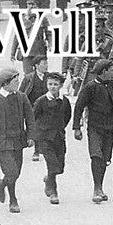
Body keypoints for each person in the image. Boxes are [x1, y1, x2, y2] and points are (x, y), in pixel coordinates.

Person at [0, 68, 33, 214]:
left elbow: (30, 118)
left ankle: (2, 184)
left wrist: (31, 136)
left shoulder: (22, 97)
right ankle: (13, 200)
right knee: (12, 171)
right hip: (3, 143)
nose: (18, 83)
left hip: (19, 140)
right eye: (15, 81)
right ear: (6, 83)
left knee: (16, 172)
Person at [73, 59, 113, 204]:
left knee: (105, 158)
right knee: (96, 155)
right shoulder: (90, 87)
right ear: (103, 72)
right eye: (112, 70)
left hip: (109, 128)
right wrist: (77, 128)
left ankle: (100, 186)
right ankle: (97, 188)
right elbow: (79, 107)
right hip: (95, 127)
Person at [31, 72, 72, 204]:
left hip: (59, 137)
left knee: (60, 167)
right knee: (52, 164)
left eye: (55, 84)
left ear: (60, 85)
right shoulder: (42, 101)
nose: (52, 87)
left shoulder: (64, 101)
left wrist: (60, 127)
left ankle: (48, 178)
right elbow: (33, 117)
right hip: (44, 137)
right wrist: (34, 134)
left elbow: (67, 116)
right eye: (50, 84)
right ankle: (53, 192)